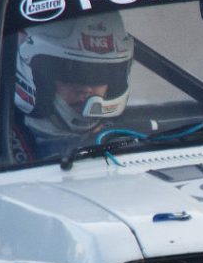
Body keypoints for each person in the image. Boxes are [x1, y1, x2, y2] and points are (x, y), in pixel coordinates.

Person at [9, 15, 135, 162]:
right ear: (36, 75)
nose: (86, 89)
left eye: (100, 75)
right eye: (71, 74)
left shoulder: (134, 137)